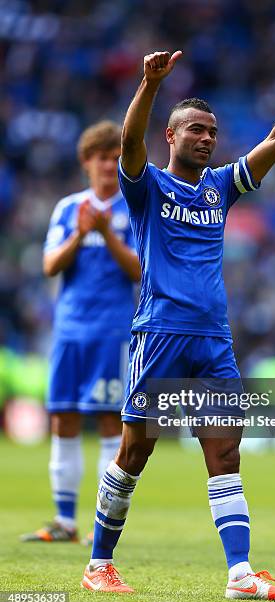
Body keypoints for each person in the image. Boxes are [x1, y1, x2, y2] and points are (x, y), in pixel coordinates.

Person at [81, 52, 275, 599]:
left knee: (225, 454)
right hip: (160, 335)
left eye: (212, 131)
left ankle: (240, 575)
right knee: (135, 453)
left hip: (214, 341)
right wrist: (149, 85)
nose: (207, 138)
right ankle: (98, 564)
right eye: (195, 129)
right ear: (170, 137)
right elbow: (129, 144)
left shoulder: (221, 186)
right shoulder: (147, 187)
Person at [21, 120, 141, 543]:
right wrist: (81, 234)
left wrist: (106, 233)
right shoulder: (69, 208)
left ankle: (99, 523)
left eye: (116, 157)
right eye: (102, 158)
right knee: (63, 419)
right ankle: (65, 521)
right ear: (86, 162)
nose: (110, 165)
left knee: (112, 422)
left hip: (113, 331)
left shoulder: (132, 208)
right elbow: (50, 265)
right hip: (69, 330)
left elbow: (140, 271)